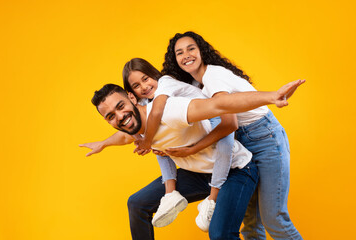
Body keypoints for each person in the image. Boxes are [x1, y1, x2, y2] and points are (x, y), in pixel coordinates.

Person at [90, 79, 304, 240]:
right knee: (137, 204)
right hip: (200, 174)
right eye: (110, 116)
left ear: (132, 98)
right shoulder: (134, 127)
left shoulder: (169, 111)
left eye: (120, 107)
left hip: (235, 170)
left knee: (219, 234)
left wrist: (271, 96)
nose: (119, 117)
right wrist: (103, 144)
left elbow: (220, 105)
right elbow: (123, 137)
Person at [161, 31, 303, 239]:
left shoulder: (213, 75)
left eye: (191, 48)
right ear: (175, 60)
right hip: (241, 146)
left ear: (201, 51)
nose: (186, 55)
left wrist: (272, 97)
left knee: (274, 219)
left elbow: (228, 121)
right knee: (251, 224)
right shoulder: (193, 85)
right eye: (180, 52)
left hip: (264, 139)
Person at [81, 58, 238, 230]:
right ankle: (171, 194)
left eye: (146, 79)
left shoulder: (165, 91)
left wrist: (149, 142)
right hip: (197, 167)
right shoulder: (142, 107)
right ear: (132, 93)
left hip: (218, 136)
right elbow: (125, 136)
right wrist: (104, 143)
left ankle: (212, 198)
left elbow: (225, 117)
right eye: (136, 85)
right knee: (154, 155)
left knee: (224, 142)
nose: (144, 87)